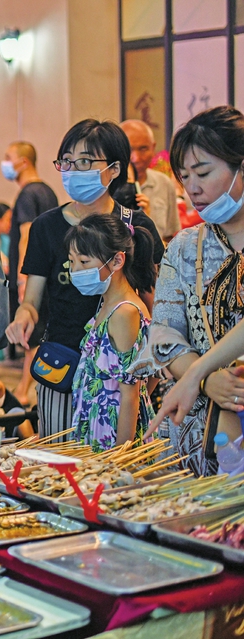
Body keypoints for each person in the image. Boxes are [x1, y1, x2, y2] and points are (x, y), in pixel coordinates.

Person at [6, 120, 164, 440]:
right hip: (61, 363)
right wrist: (23, 317)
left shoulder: (135, 227)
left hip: (118, 375)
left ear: (114, 169)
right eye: (66, 161)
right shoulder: (46, 226)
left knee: (110, 461)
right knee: (59, 461)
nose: (73, 170)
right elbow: (32, 301)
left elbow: (155, 305)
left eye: (85, 162)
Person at [148, 106, 244, 476]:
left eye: (203, 172)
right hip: (193, 428)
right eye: (184, 176)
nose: (193, 188)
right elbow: (164, 334)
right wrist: (205, 381)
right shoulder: (186, 246)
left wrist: (198, 375)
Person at [66, 215, 156, 451]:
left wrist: (120, 458)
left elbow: (131, 394)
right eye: (72, 262)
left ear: (117, 261)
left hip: (114, 437)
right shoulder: (107, 303)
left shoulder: (125, 312)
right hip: (97, 425)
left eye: (84, 262)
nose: (75, 270)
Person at [1, 141, 59, 406]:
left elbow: (26, 235)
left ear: (24, 162)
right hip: (49, 274)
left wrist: (24, 278)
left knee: (30, 334)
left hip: (33, 276)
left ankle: (26, 389)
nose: (5, 162)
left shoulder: (27, 193)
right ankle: (28, 388)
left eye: (8, 157)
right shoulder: (47, 191)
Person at [121, 119, 181, 241]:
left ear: (153, 147)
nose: (136, 158)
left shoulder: (164, 183)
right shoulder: (106, 186)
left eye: (143, 149)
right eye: (129, 150)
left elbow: (170, 237)